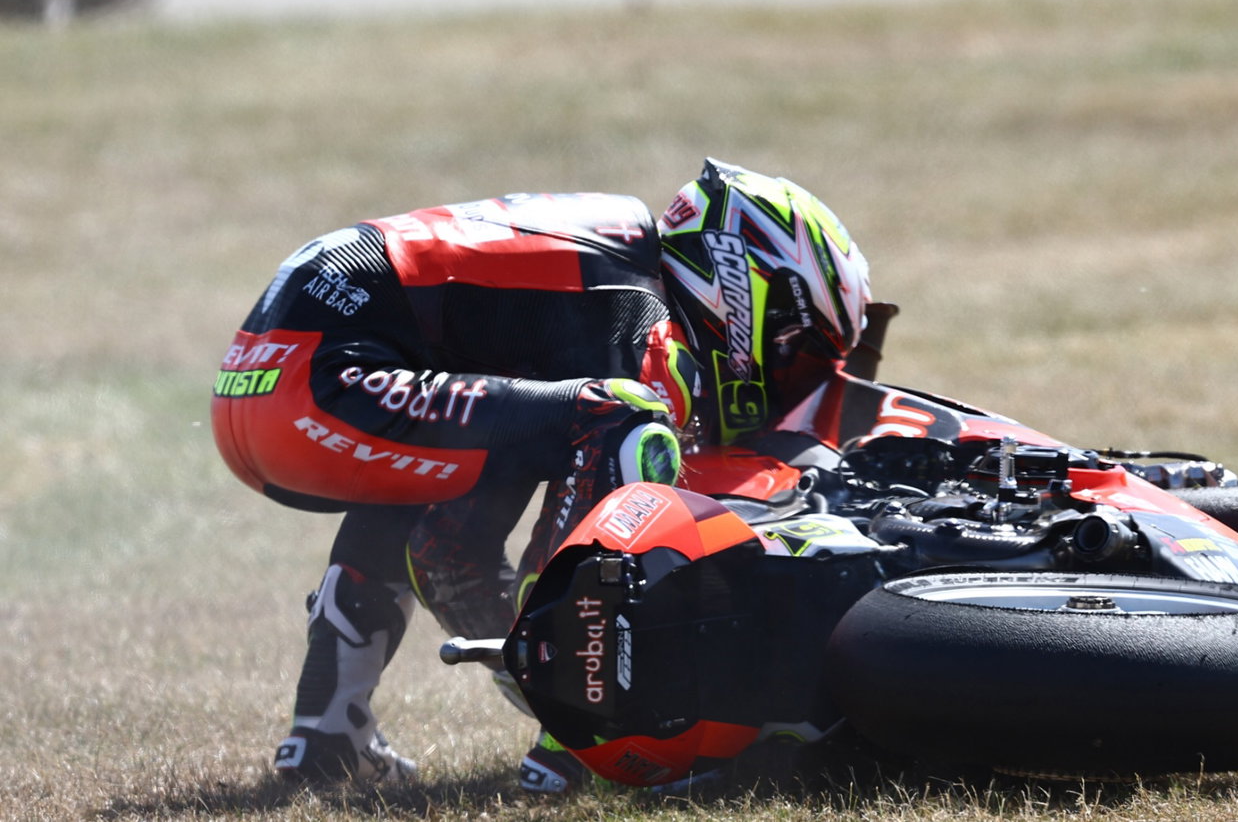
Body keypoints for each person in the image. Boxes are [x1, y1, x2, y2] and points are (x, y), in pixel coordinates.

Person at [210, 159, 873, 788]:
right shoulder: (639, 295)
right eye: (796, 350)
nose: (788, 377)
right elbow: (624, 448)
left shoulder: (611, 254)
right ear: (745, 279)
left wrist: (463, 558)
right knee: (624, 419)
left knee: (460, 471)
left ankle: (325, 735)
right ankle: (574, 740)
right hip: (319, 380)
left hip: (260, 390)